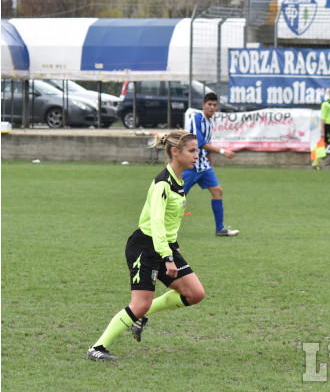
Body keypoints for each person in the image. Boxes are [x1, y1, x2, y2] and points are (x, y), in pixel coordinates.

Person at [87, 130, 206, 361]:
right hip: (146, 247)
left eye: (197, 151)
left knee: (195, 293)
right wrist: (168, 257)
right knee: (139, 304)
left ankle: (141, 315)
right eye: (192, 151)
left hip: (164, 245)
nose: (196, 156)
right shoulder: (163, 183)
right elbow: (156, 222)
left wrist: (174, 247)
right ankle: (97, 348)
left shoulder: (178, 180)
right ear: (175, 151)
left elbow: (169, 222)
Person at [183, 92, 239, 236]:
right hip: (191, 165)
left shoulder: (210, 121)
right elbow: (200, 143)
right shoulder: (197, 119)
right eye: (209, 104)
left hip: (204, 166)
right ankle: (161, 226)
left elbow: (208, 144)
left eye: (214, 105)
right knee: (178, 197)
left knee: (217, 191)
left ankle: (220, 229)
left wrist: (211, 163)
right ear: (203, 105)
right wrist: (222, 151)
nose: (212, 107)